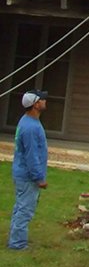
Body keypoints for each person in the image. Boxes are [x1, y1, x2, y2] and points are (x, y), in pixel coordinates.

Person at [8, 89, 48, 250]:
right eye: (42, 100)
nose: (45, 101)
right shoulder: (31, 128)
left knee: (20, 207)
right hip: (27, 176)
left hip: (21, 173)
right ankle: (17, 244)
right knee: (25, 210)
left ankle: (15, 239)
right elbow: (32, 156)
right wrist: (39, 178)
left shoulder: (26, 121)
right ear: (36, 104)